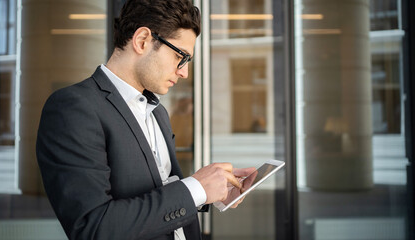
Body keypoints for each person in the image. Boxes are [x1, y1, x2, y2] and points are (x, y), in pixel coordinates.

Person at [36, 0, 255, 239]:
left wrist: (212, 191)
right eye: (180, 56)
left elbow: (159, 192)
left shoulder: (157, 112)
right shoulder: (73, 108)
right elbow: (94, 227)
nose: (184, 72)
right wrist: (196, 188)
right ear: (142, 40)